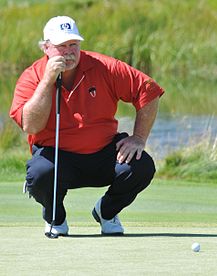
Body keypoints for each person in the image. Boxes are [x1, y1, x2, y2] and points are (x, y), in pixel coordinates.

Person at [10, 15, 164, 237]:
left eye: (73, 45)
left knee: (141, 166)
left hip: (103, 154)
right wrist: (47, 81)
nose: (69, 52)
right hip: (57, 158)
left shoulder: (103, 67)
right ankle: (56, 218)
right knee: (39, 174)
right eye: (61, 46)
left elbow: (148, 91)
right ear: (46, 48)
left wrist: (138, 137)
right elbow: (31, 126)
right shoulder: (32, 76)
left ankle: (106, 212)